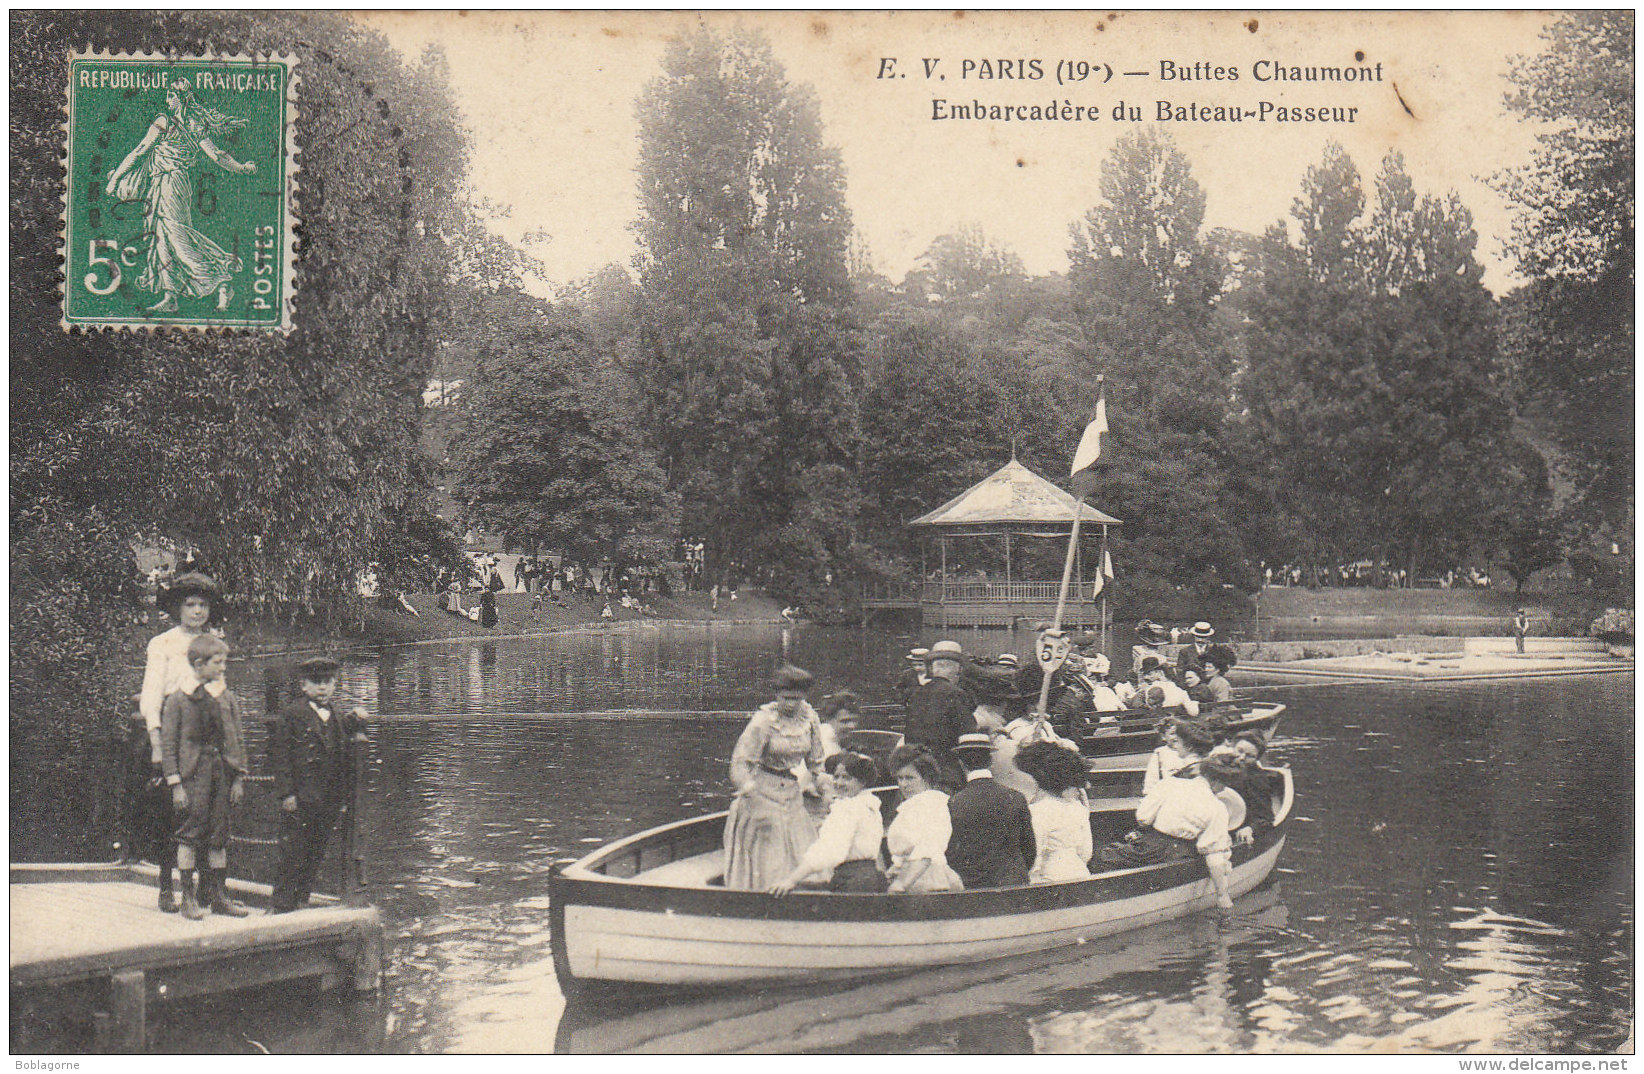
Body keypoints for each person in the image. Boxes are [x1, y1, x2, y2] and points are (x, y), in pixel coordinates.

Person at [104, 79, 256, 313]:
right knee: (161, 237)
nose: (166, 101)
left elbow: (140, 151)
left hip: (171, 184)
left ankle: (221, 280)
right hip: (166, 184)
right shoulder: (193, 125)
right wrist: (242, 167)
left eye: (170, 96)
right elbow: (218, 155)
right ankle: (171, 295)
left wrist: (115, 180)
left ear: (181, 98)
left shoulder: (166, 122)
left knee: (176, 237)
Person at [135, 570, 219, 911]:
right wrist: (156, 743)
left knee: (205, 813)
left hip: (204, 737)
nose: (197, 611)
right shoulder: (163, 643)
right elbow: (151, 695)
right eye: (190, 604)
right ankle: (166, 888)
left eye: (203, 605)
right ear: (178, 608)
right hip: (171, 732)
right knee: (170, 813)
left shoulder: (214, 641)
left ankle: (205, 890)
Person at [269, 657, 370, 914]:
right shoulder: (293, 714)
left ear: (334, 684)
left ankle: (302, 899)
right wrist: (286, 793)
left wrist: (355, 718)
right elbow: (280, 756)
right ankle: (280, 904)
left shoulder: (335, 714)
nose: (322, 687)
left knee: (316, 850)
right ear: (304, 686)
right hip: (301, 797)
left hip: (327, 799)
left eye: (327, 682)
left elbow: (336, 738)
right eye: (316, 682)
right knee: (293, 851)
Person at [160, 634, 249, 920]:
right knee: (188, 833)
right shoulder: (178, 699)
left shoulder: (227, 698)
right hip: (192, 777)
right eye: (218, 663)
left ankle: (218, 896)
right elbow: (169, 744)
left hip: (220, 774)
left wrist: (238, 777)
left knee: (219, 835)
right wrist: (175, 784)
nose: (223, 668)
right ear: (199, 664)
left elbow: (237, 738)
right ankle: (187, 897)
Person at [1094, 755, 1243, 911]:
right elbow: (1213, 854)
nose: (1224, 789)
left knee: (1104, 856)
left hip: (1150, 844)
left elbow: (1143, 818)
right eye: (1225, 784)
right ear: (1217, 781)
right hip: (1179, 852)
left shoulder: (1168, 784)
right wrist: (1222, 895)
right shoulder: (1217, 807)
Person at [723, 665, 824, 890]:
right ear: (776, 695)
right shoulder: (763, 722)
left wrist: (827, 790)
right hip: (762, 791)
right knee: (772, 854)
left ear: (804, 696)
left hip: (791, 791)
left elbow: (817, 762)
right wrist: (751, 795)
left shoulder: (810, 718)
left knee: (804, 848)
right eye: (786, 698)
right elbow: (740, 765)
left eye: (796, 698)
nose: (791, 704)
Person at [769, 753, 886, 895]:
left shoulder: (848, 808)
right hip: (871, 878)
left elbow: (828, 850)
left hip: (852, 881)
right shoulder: (870, 806)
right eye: (836, 777)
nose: (839, 783)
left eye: (847, 778)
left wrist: (792, 880)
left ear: (862, 782)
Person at [945, 732, 1036, 889]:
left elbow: (953, 853)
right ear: (991, 761)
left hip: (975, 888)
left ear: (961, 763)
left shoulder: (954, 803)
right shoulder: (1015, 797)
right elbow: (1029, 850)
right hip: (1014, 884)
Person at [884, 748, 963, 893]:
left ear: (926, 778)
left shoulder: (933, 802)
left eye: (910, 778)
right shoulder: (912, 806)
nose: (903, 784)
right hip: (910, 875)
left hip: (927, 877)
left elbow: (929, 847)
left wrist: (902, 883)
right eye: (900, 778)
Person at [1015, 741, 1094, 883]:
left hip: (1049, 880)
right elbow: (1086, 852)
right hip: (1081, 873)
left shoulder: (1037, 811)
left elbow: (1035, 856)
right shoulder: (1077, 808)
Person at [903, 641, 976, 756]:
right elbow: (968, 733)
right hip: (943, 761)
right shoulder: (956, 693)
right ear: (958, 670)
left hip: (916, 759)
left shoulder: (915, 693)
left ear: (932, 670)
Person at [1211, 732, 1282, 845]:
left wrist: (1250, 828)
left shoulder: (1257, 779)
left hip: (1235, 825)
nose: (1242, 757)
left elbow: (1266, 817)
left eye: (1250, 756)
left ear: (1257, 759)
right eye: (1240, 751)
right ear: (1232, 748)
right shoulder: (1218, 764)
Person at [1143, 717, 1216, 795]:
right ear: (1163, 736)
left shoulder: (1194, 753)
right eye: (1172, 734)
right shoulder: (1160, 753)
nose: (1175, 737)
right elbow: (1151, 779)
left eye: (1177, 734)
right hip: (1170, 792)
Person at [816, 690, 862, 760]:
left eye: (854, 720)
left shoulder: (841, 740)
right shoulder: (824, 745)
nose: (852, 726)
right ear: (828, 720)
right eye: (844, 721)